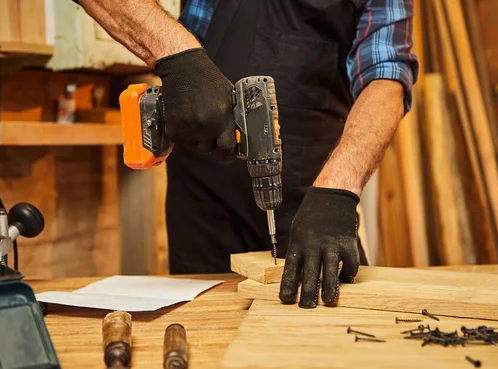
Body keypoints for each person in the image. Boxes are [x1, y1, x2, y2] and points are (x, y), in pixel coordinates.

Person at [78, 0, 418, 308]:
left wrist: (337, 190)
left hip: (310, 204)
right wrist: (181, 59)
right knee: (205, 328)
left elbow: (386, 77)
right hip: (201, 199)